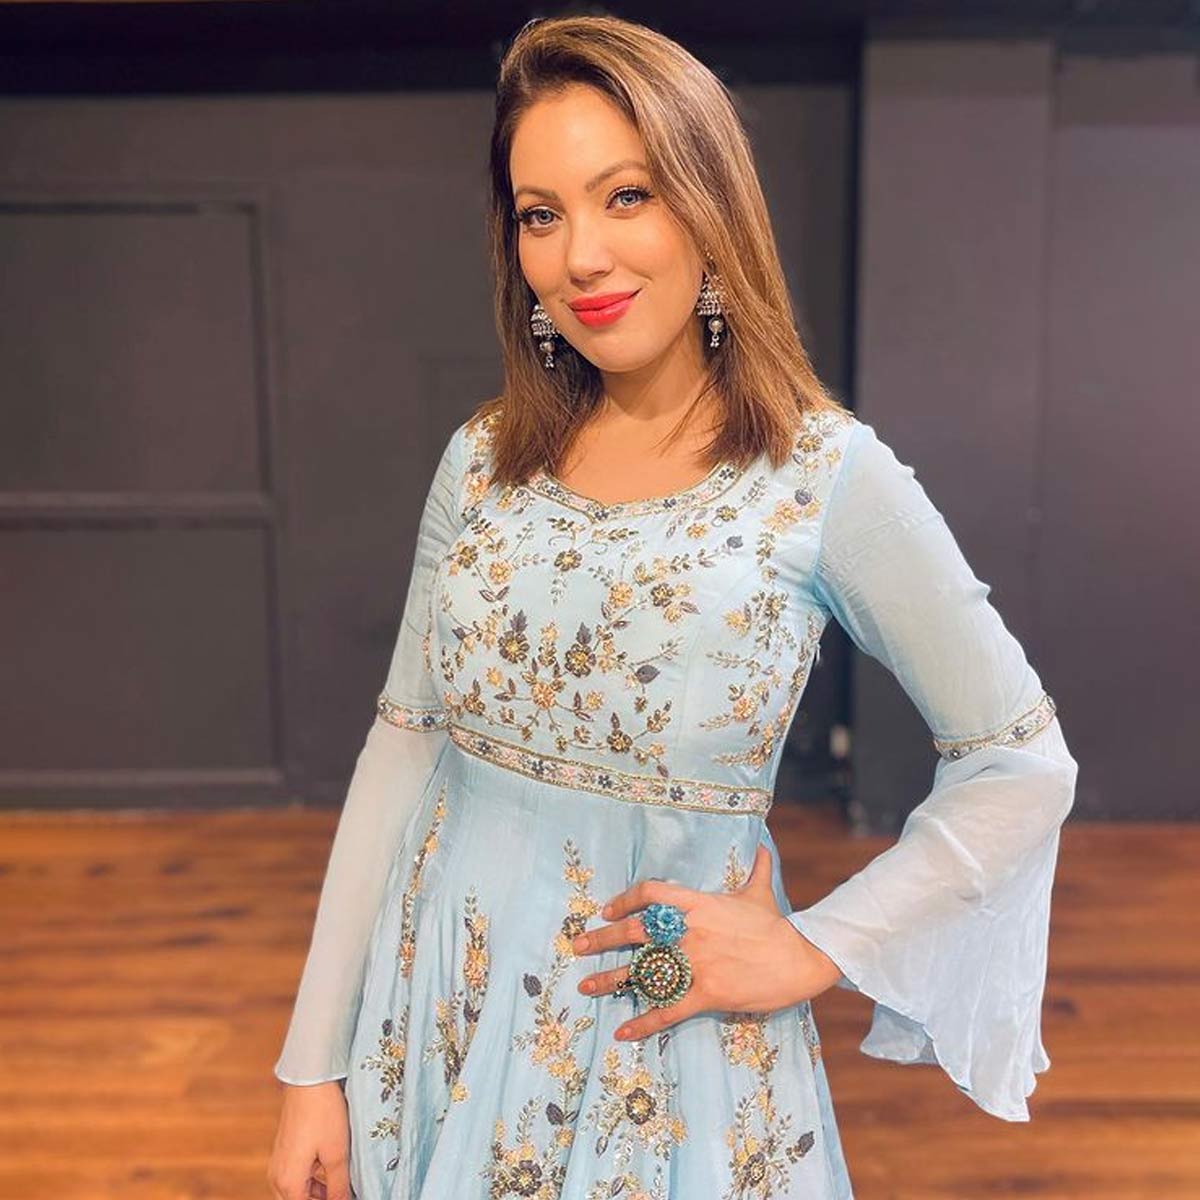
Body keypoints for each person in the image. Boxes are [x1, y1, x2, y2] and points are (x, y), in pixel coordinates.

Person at [267, 15, 1078, 1200]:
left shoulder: (822, 477)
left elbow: (1021, 761)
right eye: (541, 216)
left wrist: (813, 947)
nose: (581, 256)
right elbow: (406, 742)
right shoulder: (485, 459)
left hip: (651, 1039)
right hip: (437, 1004)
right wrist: (312, 1063)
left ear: (709, 205)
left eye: (627, 196)